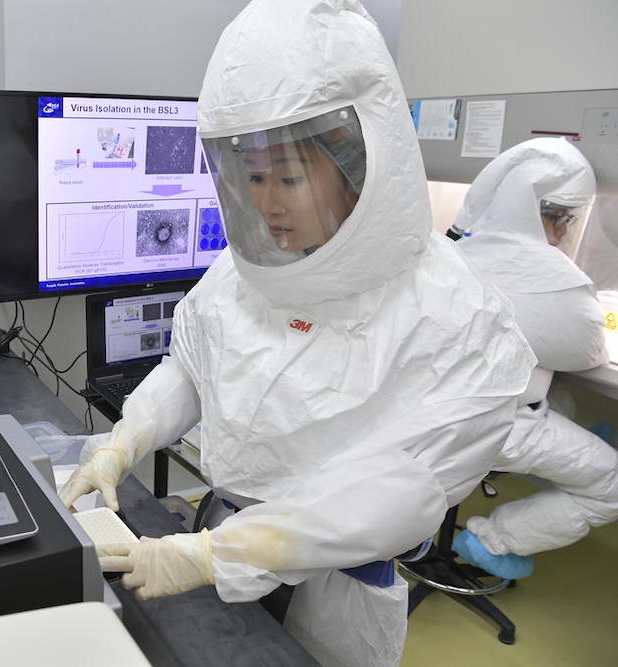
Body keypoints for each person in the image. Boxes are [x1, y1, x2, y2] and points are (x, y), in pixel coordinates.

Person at [59, 1, 534, 664]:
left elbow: (393, 493)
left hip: (334, 592)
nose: (266, 203)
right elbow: (191, 373)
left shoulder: (455, 316)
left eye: (287, 176)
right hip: (218, 545)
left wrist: (218, 553)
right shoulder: (245, 274)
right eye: (252, 177)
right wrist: (122, 441)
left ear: (359, 169)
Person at [450, 137, 618, 580]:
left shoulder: (455, 251)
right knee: (612, 488)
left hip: (444, 416)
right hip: (499, 426)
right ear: (553, 216)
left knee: (563, 405)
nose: (565, 234)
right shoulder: (546, 274)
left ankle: (586, 452)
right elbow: (586, 352)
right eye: (564, 221)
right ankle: (492, 539)